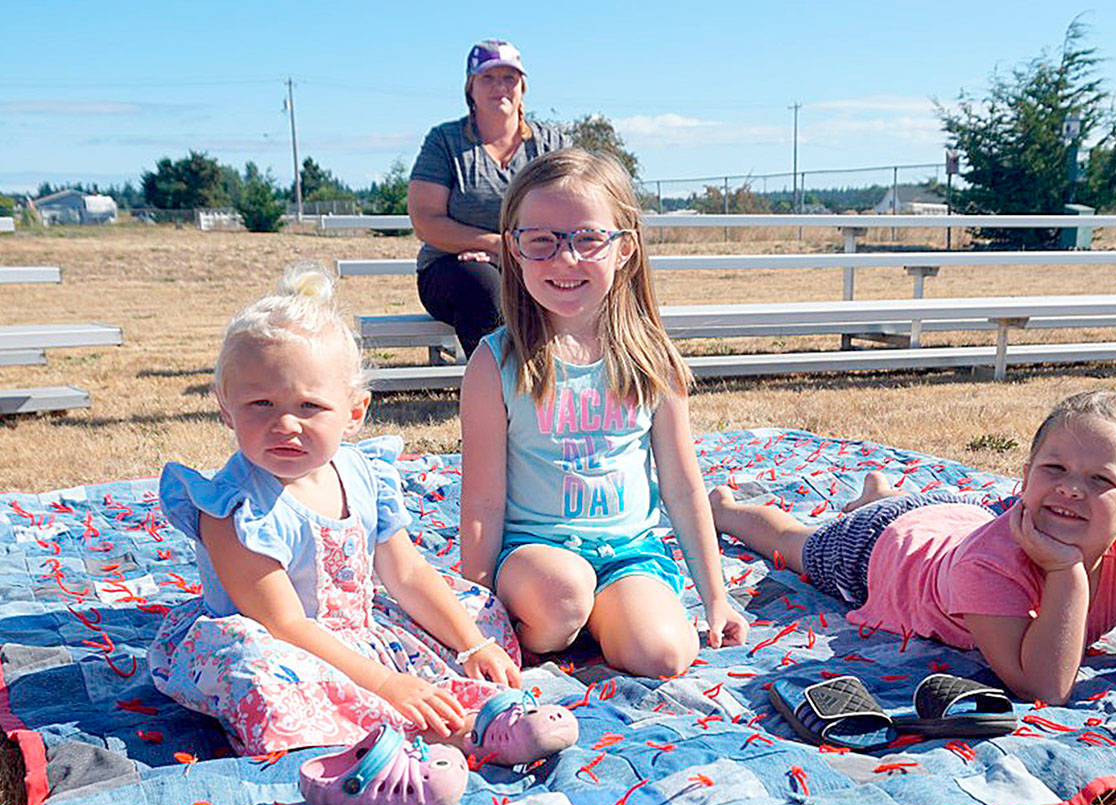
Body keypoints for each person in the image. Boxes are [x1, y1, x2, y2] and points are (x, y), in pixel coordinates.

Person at [147, 262, 577, 765]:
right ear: (226, 409)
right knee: (258, 675)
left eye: (309, 406)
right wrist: (387, 683)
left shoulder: (363, 474)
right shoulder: (233, 507)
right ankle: (430, 739)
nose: (285, 424)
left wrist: (471, 645)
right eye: (260, 404)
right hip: (286, 644)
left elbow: (408, 573)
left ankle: (469, 712)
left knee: (475, 613)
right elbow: (283, 623)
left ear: (354, 413)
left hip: (359, 629)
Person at [709, 382, 1116, 705]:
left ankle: (880, 490)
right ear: (1024, 478)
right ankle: (728, 510)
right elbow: (1044, 686)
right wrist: (1064, 573)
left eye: (1099, 481)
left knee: (887, 507)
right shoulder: (991, 564)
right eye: (1054, 468)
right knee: (795, 543)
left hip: (952, 519)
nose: (1069, 488)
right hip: (884, 548)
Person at [458, 148, 750, 679]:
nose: (565, 261)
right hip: (535, 556)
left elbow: (683, 487)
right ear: (513, 250)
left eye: (588, 239)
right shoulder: (493, 363)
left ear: (625, 250)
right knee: (564, 592)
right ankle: (556, 623)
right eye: (541, 241)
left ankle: (600, 620)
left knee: (663, 655)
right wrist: (476, 618)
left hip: (629, 554)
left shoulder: (650, 356)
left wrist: (716, 596)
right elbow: (481, 500)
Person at [408, 39, 570, 357]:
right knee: (483, 284)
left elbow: (572, 210)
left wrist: (516, 254)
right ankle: (498, 389)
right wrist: (494, 246)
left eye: (509, 78)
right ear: (470, 87)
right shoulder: (445, 142)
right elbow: (426, 221)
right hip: (454, 268)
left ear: (523, 87)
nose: (500, 87)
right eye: (488, 78)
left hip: (534, 260)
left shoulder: (551, 144)